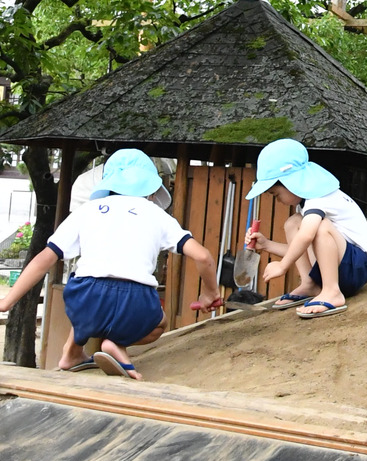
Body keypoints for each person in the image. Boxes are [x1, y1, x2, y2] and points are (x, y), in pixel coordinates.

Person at [0, 147, 220, 378]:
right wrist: (209, 292)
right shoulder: (157, 215)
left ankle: (72, 352)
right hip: (137, 303)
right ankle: (116, 344)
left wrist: (7, 301)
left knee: (85, 282)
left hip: (85, 301)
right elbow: (203, 257)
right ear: (150, 189)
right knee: (159, 324)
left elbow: (44, 259)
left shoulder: (87, 211)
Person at [246, 137, 367, 319]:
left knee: (319, 227)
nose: (278, 200)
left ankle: (332, 291)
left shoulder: (319, 199)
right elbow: (304, 249)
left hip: (359, 266)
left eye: (276, 194)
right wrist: (266, 245)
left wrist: (283, 266)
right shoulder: (307, 204)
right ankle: (310, 284)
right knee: (293, 223)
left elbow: (307, 236)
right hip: (343, 264)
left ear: (290, 182)